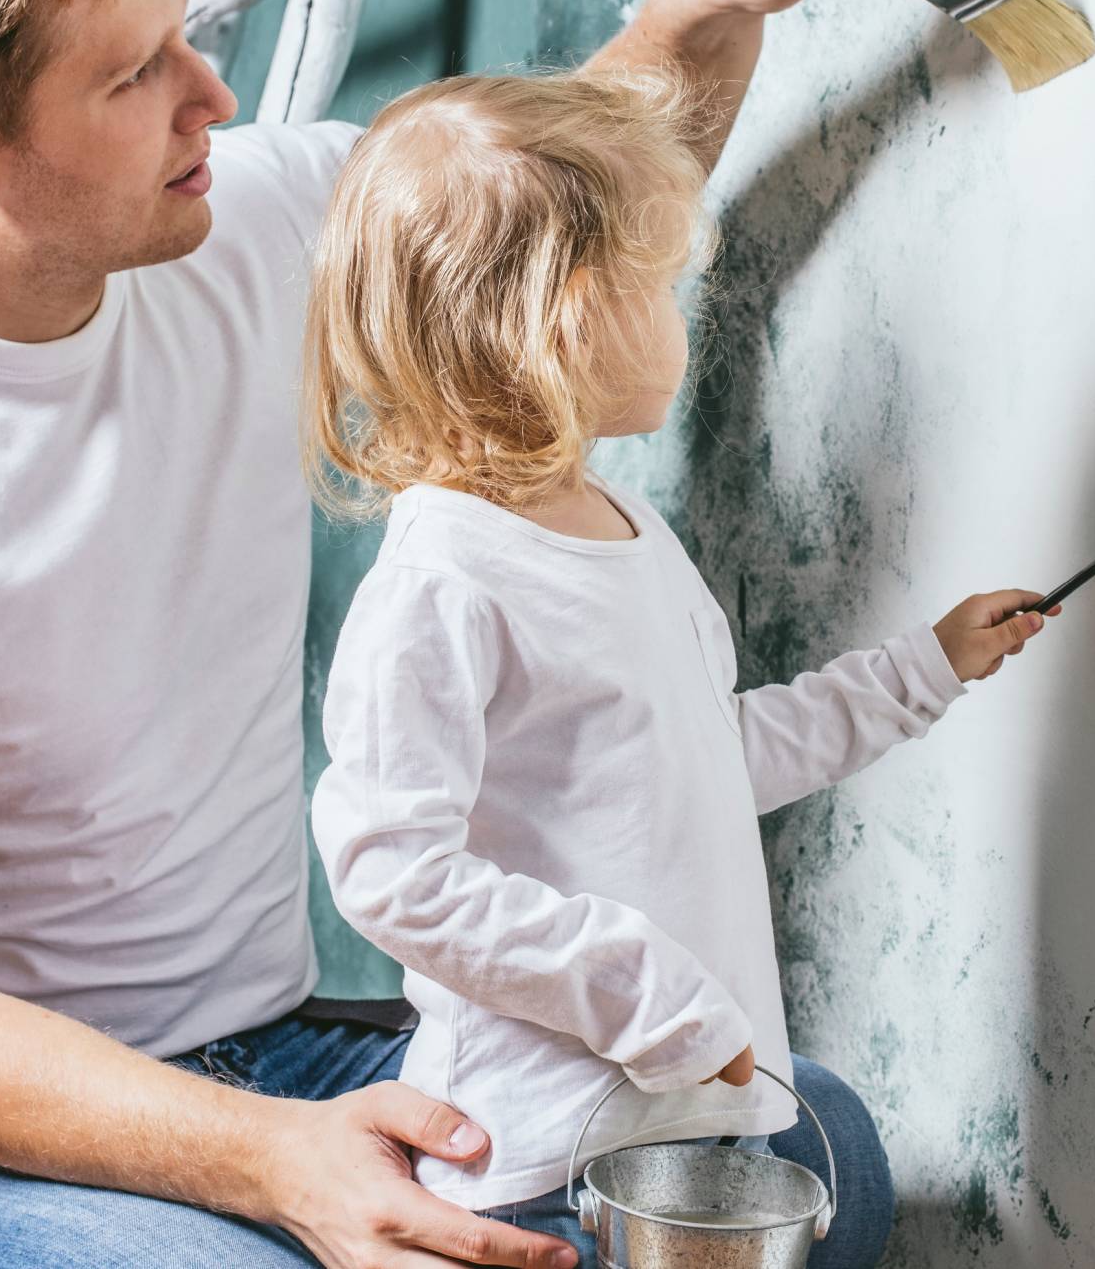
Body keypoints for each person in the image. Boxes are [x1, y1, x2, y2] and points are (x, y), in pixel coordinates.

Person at [0, 0, 926, 1269]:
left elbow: (539, 224)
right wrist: (270, 1163)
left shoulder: (245, 216)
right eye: (133, 77)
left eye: (183, 32)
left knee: (806, 1142)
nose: (211, 97)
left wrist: (707, 3)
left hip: (274, 1045)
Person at [301, 67, 1053, 1267]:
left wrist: (922, 670)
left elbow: (698, 758)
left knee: (835, 1153)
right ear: (564, 319)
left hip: (677, 1128)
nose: (680, 313)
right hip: (540, 1167)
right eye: (656, 284)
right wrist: (638, 985)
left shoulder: (621, 529)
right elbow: (390, 868)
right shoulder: (445, 578)